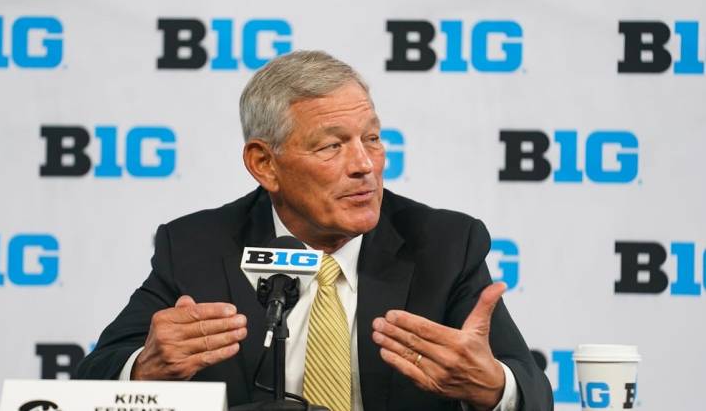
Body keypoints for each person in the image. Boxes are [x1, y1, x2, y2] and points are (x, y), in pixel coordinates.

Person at [75, 50, 553, 411]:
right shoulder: (198, 246)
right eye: (331, 147)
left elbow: (532, 391)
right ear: (264, 164)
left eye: (371, 139)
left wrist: (492, 386)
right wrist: (143, 368)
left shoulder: (445, 244)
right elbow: (90, 380)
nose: (364, 166)